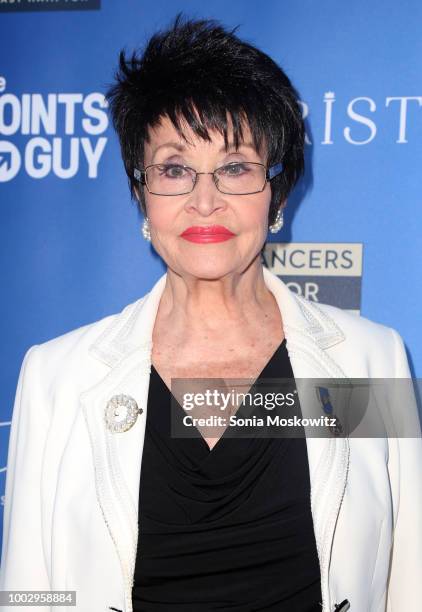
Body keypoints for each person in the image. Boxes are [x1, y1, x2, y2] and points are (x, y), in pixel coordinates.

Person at [1, 14, 421, 612]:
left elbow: (411, 579)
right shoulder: (58, 376)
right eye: (174, 169)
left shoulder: (367, 358)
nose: (205, 200)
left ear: (276, 190)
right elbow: (29, 593)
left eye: (234, 168)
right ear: (141, 191)